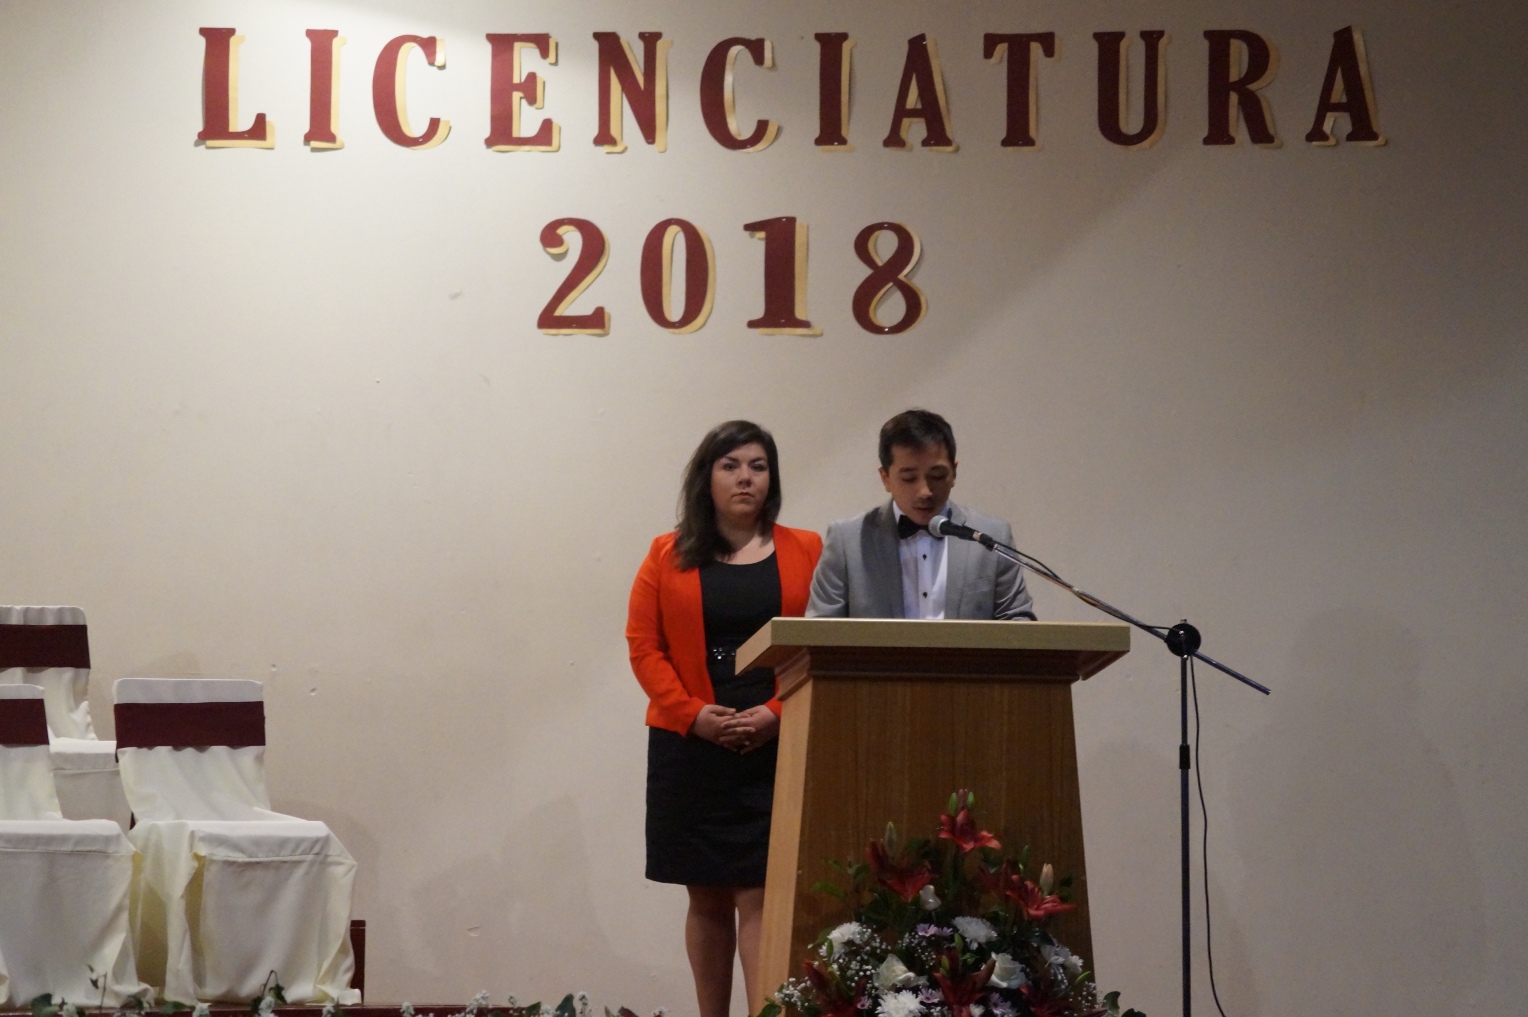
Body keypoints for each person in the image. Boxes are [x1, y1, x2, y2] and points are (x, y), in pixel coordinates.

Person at [627, 420, 823, 1017]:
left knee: (759, 893)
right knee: (706, 897)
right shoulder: (666, 553)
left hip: (774, 740)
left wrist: (774, 715)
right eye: (730, 465)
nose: (745, 478)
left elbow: (824, 645)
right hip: (692, 743)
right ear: (706, 478)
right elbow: (644, 647)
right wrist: (694, 716)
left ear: (772, 479)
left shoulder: (807, 549)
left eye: (758, 466)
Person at [807, 408, 1035, 620]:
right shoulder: (847, 542)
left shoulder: (991, 536)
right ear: (885, 478)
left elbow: (1019, 625)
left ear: (954, 473)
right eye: (909, 478)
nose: (925, 491)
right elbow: (820, 633)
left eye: (937, 476)